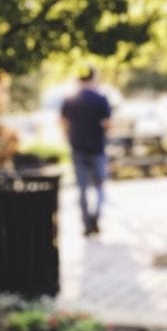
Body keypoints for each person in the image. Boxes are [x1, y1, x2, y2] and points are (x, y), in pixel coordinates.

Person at [61, 66, 111, 236]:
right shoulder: (101, 99)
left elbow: (63, 123)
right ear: (93, 78)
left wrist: (69, 136)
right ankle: (95, 217)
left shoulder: (70, 100)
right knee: (99, 187)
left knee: (81, 188)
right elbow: (108, 124)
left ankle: (86, 222)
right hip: (97, 148)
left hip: (77, 148)